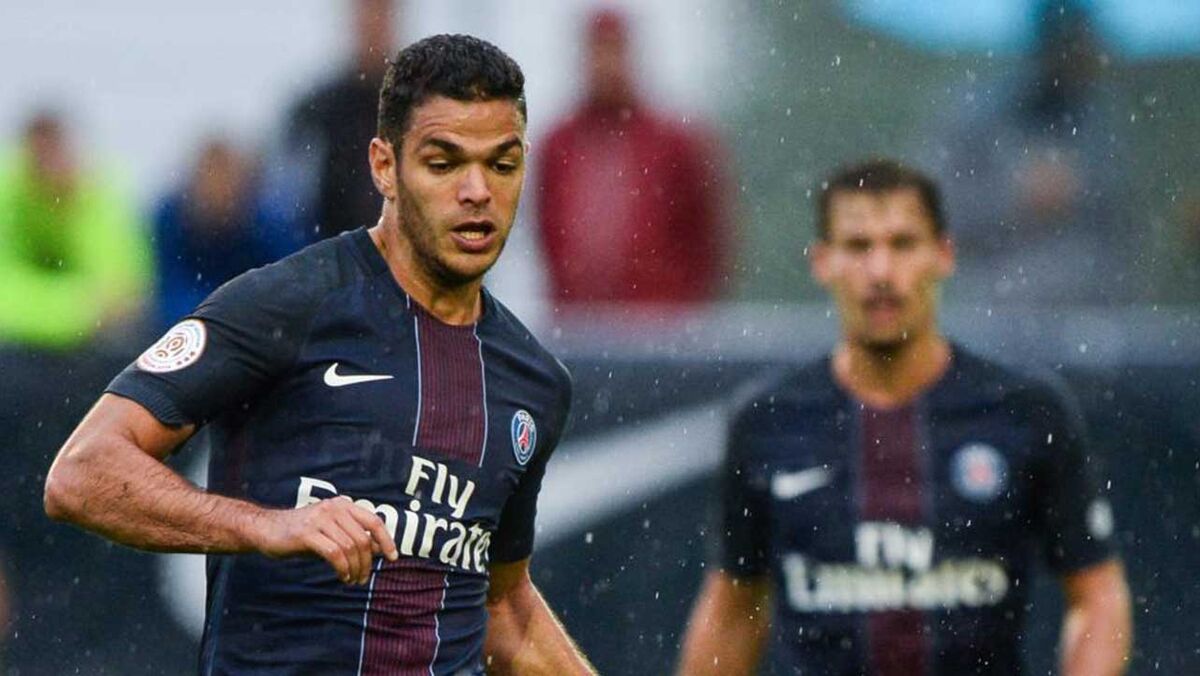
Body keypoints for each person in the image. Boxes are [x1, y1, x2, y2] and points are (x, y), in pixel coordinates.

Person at [45, 34, 596, 675]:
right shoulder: (289, 303)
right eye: (443, 163)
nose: (477, 190)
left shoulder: (531, 382)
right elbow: (81, 474)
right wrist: (266, 526)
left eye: (501, 165)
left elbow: (503, 607)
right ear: (384, 167)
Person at [678, 159, 1132, 675]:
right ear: (822, 262)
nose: (880, 272)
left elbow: (1097, 596)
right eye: (858, 246)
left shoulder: (1025, 411)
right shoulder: (768, 421)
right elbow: (733, 610)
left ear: (943, 254)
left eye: (902, 244)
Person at [924, 2, 1133, 305]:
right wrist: (1015, 197)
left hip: (1090, 312)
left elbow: (1120, 224)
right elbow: (937, 213)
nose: (1084, 60)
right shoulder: (981, 116)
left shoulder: (1095, 121)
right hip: (995, 307)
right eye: (1073, 47)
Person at [535, 8, 729, 308]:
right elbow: (547, 235)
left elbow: (709, 239)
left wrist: (681, 307)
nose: (606, 64)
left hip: (659, 323)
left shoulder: (674, 143)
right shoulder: (558, 145)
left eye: (614, 49)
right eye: (598, 50)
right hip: (580, 322)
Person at [0, 111, 151, 349]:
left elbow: (122, 290)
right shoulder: (7, 195)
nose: (50, 169)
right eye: (41, 158)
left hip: (88, 347)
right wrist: (80, 310)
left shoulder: (98, 195)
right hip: (22, 348)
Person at [152, 137, 296, 331]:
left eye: (226, 183)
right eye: (210, 183)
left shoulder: (271, 225)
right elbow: (171, 292)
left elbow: (287, 290)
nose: (218, 191)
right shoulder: (171, 220)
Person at [283, 0, 397, 241]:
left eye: (380, 14)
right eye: (366, 14)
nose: (373, 26)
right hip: (335, 245)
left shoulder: (419, 102)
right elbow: (292, 190)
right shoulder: (319, 107)